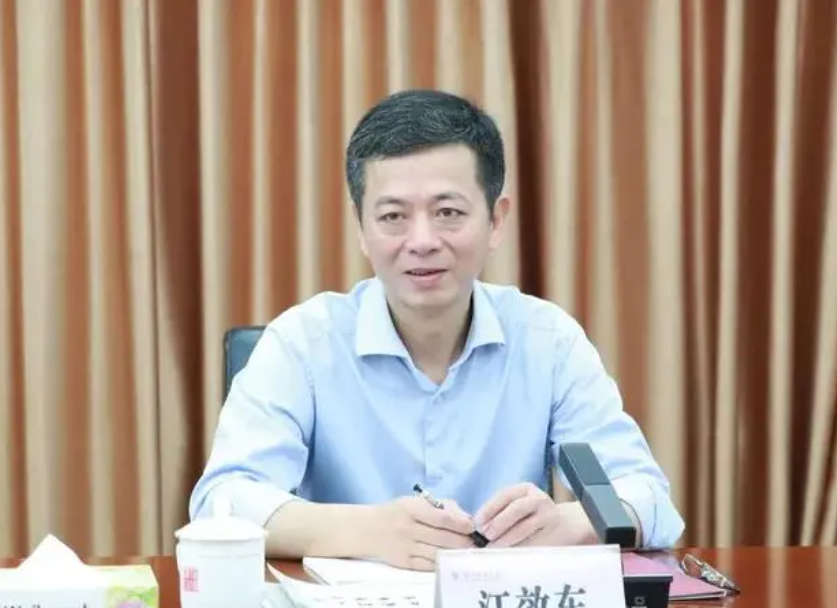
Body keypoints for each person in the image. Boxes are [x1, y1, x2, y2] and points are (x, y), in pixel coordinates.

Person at [188, 89, 685, 569]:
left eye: (448, 212)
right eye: (393, 216)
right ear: (361, 227)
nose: (422, 241)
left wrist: (569, 523)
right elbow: (222, 502)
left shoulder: (548, 341)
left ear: (496, 220)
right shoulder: (302, 343)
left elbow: (648, 499)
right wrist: (370, 531)